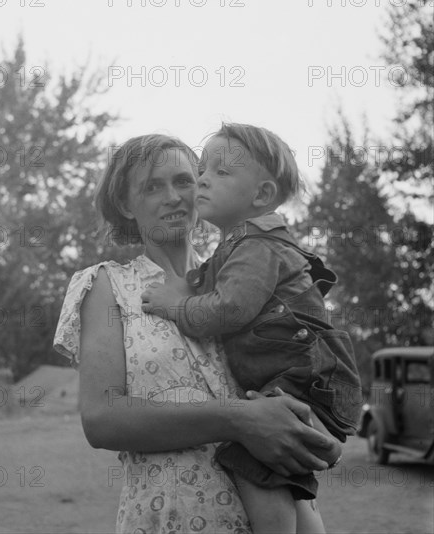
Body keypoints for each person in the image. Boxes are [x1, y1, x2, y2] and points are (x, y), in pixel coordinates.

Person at [54, 134, 340, 534]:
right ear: (125, 203)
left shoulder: (242, 280)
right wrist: (239, 420)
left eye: (184, 180)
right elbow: (102, 420)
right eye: (152, 186)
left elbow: (297, 375)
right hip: (164, 518)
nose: (173, 197)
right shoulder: (107, 285)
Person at [141, 124, 362, 533]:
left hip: (308, 378)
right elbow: (206, 283)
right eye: (203, 168)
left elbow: (228, 311)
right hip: (299, 380)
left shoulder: (258, 247)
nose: (204, 177)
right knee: (279, 473)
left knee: (252, 465)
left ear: (260, 195)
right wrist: (186, 287)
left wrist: (176, 306)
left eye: (222, 172)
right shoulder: (237, 247)